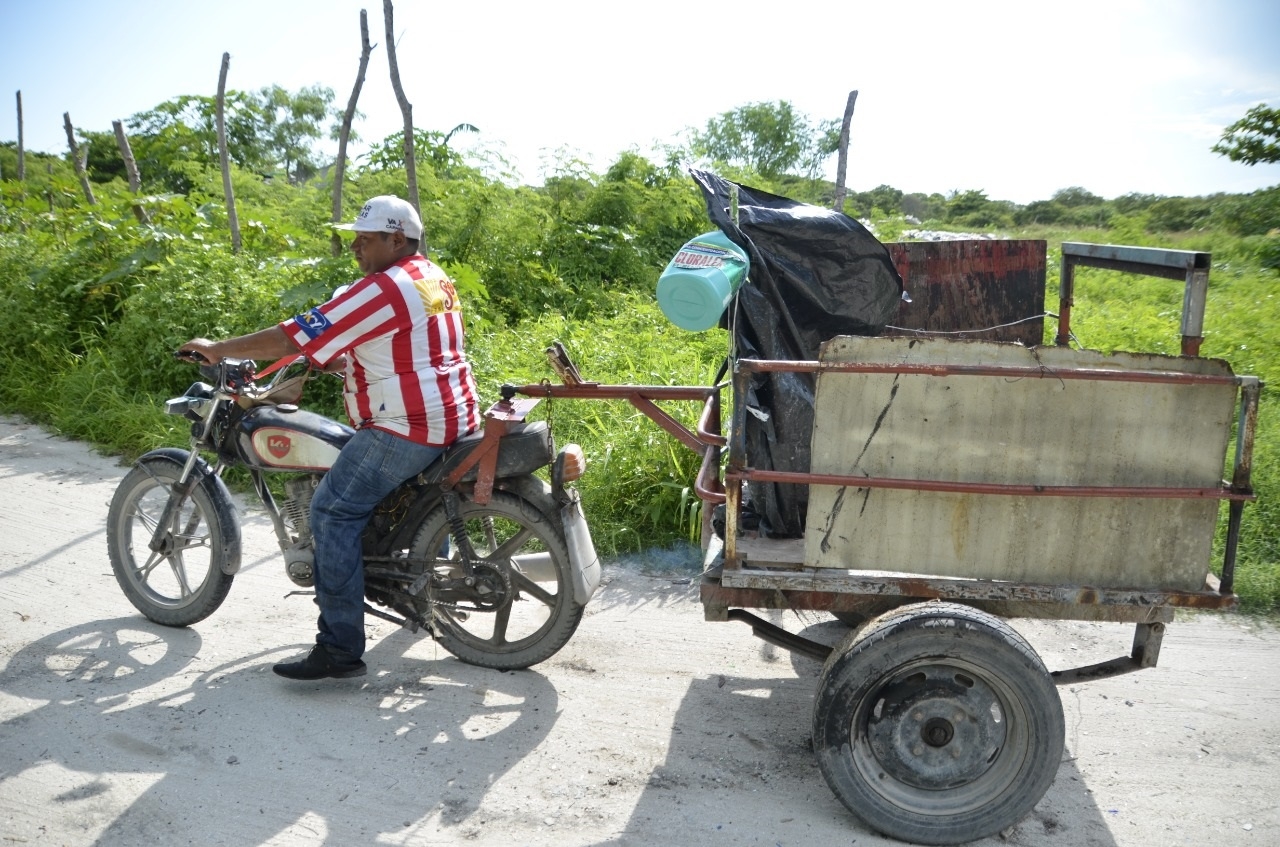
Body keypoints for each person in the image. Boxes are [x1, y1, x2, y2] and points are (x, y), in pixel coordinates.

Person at [179, 195, 481, 681]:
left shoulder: (383, 288)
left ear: (396, 239)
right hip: (452, 412)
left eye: (366, 239)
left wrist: (218, 349)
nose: (355, 248)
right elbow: (403, 342)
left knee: (332, 510)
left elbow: (291, 336)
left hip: (409, 424)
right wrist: (345, 359)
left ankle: (339, 647)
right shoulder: (430, 276)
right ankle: (423, 594)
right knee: (406, 500)